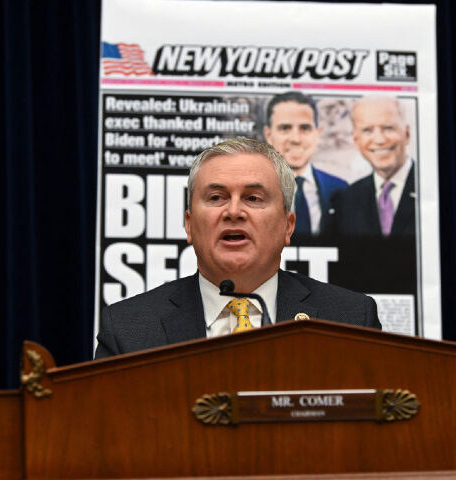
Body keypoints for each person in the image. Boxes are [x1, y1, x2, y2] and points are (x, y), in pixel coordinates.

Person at [95, 138, 380, 359]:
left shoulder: (349, 320)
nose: (234, 211)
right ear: (190, 225)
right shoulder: (128, 329)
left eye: (253, 198)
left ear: (287, 226)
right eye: (216, 197)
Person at [264, 92, 347, 240]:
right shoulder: (250, 190)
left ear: (317, 134)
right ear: (269, 135)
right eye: (285, 128)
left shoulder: (340, 189)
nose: (296, 139)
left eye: (305, 128)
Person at [334, 96, 415, 237]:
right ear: (356, 140)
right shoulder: (347, 200)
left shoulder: (433, 186)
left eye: (388, 128)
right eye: (367, 130)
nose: (379, 140)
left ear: (407, 134)